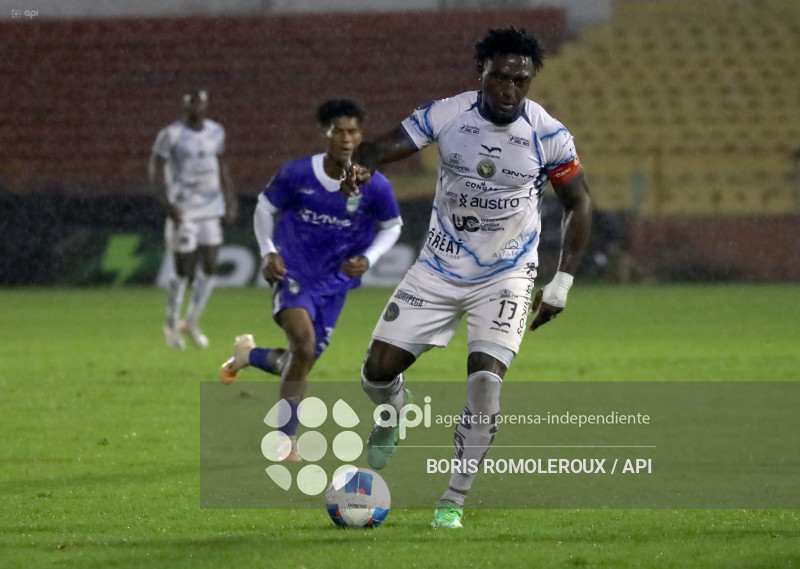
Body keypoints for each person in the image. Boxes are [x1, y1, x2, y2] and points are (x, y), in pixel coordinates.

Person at [340, 27, 593, 529]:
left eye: (520, 81)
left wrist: (561, 281)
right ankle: (394, 409)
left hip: (507, 275)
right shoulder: (448, 114)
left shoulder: (549, 135)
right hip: (437, 268)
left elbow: (579, 203)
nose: (508, 90)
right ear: (482, 74)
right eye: (499, 78)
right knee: (375, 373)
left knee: (484, 382)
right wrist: (361, 165)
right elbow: (385, 145)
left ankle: (452, 499)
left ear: (530, 81)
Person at [219, 99, 402, 461]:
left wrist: (369, 258)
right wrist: (267, 250)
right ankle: (284, 442)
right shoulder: (297, 175)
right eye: (339, 131)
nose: (347, 139)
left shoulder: (374, 186)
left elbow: (393, 225)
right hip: (293, 272)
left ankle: (248, 354)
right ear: (325, 134)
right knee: (303, 348)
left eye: (353, 131)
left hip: (335, 284)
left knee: (300, 359)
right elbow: (264, 208)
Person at [149, 87, 238, 350]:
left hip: (211, 208)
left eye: (199, 103)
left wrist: (230, 199)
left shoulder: (216, 131)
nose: (195, 109)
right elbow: (155, 168)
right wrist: (167, 204)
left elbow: (221, 165)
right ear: (183, 106)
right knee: (183, 269)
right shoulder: (171, 135)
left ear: (206, 105)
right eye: (190, 104)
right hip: (183, 209)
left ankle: (191, 321)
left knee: (210, 264)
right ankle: (170, 322)